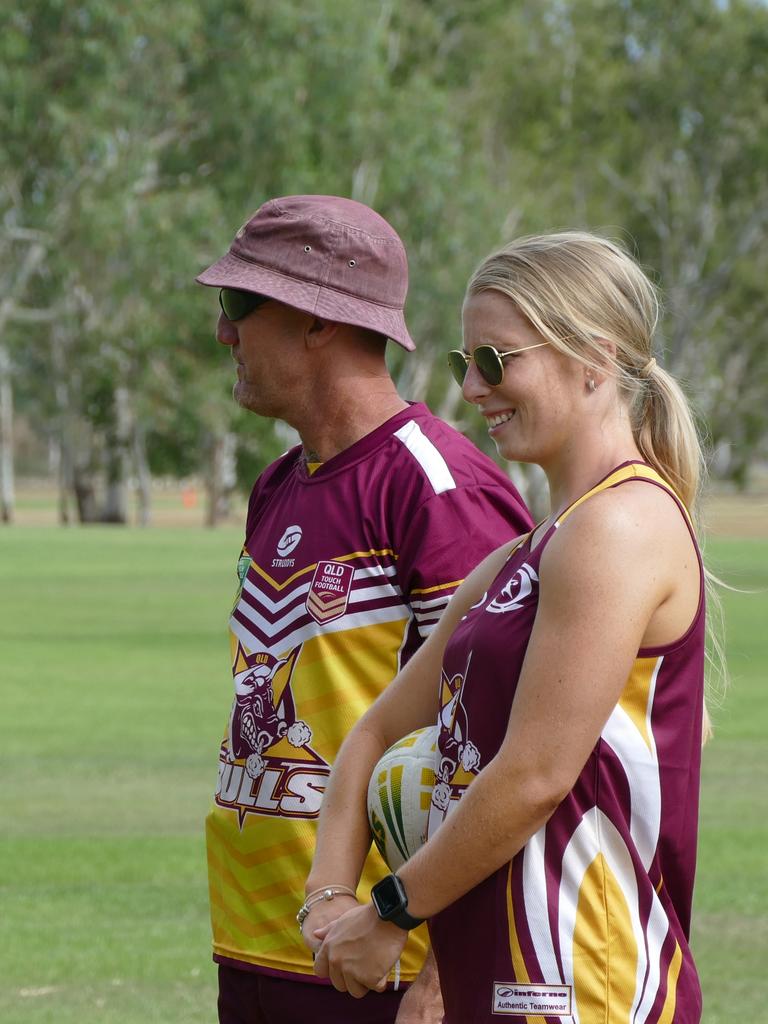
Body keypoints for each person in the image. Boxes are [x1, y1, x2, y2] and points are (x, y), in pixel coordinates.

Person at [308, 231, 710, 1023]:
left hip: (588, 987)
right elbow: (374, 732)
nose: (473, 391)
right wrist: (327, 900)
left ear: (594, 357)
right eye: (465, 366)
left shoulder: (620, 528)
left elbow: (534, 777)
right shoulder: (520, 558)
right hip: (499, 986)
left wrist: (388, 911)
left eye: (495, 362)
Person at [194, 194, 533, 1024]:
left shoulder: (438, 489)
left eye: (239, 306)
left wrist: (446, 973)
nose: (222, 333)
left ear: (319, 321)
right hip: (261, 944)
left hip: (381, 963)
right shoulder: (278, 483)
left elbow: (502, 740)